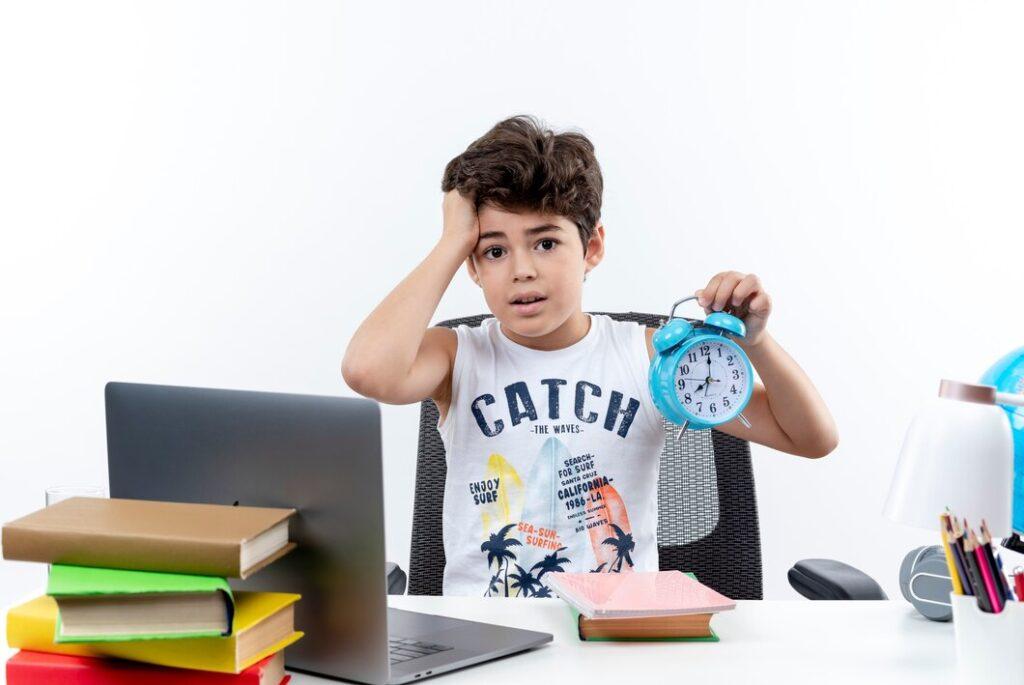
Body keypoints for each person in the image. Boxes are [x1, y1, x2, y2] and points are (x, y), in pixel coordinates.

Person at [342, 115, 838, 597]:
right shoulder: (457, 356)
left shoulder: (647, 356)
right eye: (494, 251)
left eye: (546, 242)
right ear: (472, 266)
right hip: (488, 639)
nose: (522, 271)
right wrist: (453, 240)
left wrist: (757, 344)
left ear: (592, 246)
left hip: (616, 638)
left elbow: (811, 437)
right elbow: (367, 370)